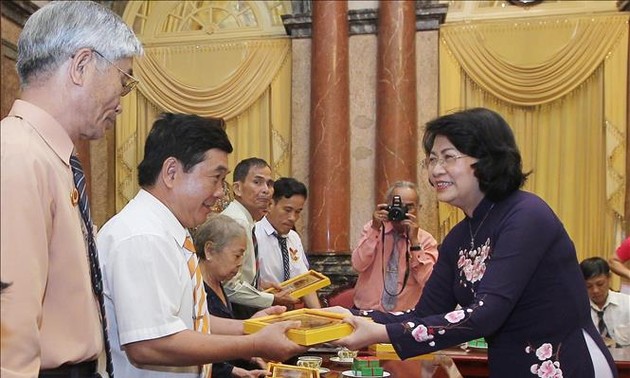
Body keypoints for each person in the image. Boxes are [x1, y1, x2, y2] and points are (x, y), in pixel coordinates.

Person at [336, 108, 617, 377]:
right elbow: (424, 313)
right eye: (432, 159)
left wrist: (380, 332)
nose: (435, 170)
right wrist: (350, 316)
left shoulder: (527, 215)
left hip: (568, 365)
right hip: (511, 367)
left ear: (487, 160)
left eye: (448, 157)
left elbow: (486, 314)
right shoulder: (460, 235)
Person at [96, 113, 304, 376]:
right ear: (171, 172)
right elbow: (149, 344)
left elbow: (187, 322)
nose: (220, 192)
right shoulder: (143, 236)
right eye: (215, 178)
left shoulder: (168, 231)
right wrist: (252, 343)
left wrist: (249, 328)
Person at [0, 2, 143, 376]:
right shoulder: (17, 157)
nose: (121, 102)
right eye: (124, 80)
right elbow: (8, 329)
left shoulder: (50, 158)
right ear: (81, 66)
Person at [193, 214, 269, 378]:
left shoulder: (219, 283)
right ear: (210, 250)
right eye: (237, 255)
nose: (241, 262)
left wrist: (250, 353)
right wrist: (232, 371)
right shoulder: (195, 289)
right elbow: (196, 347)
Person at [222, 158, 298, 318]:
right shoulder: (238, 222)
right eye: (257, 182)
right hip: (233, 312)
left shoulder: (246, 220)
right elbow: (228, 286)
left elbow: (238, 277)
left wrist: (258, 286)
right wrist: (272, 298)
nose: (266, 190)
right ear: (237, 188)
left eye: (269, 184)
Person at [352, 181, 439, 312]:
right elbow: (358, 265)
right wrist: (374, 229)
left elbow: (428, 282)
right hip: (366, 313)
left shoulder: (426, 240)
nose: (401, 211)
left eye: (409, 207)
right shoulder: (373, 230)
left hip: (404, 317)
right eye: (397, 205)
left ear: (419, 208)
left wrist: (414, 243)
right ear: (387, 206)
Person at [255, 177, 321, 309]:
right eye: (287, 210)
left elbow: (304, 282)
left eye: (298, 212)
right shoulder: (254, 234)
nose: (293, 218)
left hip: (290, 312)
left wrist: (320, 315)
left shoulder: (294, 238)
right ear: (270, 205)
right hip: (261, 312)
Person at [580, 257, 630, 348]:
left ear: (609, 278)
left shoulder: (627, 304)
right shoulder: (578, 310)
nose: (595, 290)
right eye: (588, 286)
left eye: (600, 284)